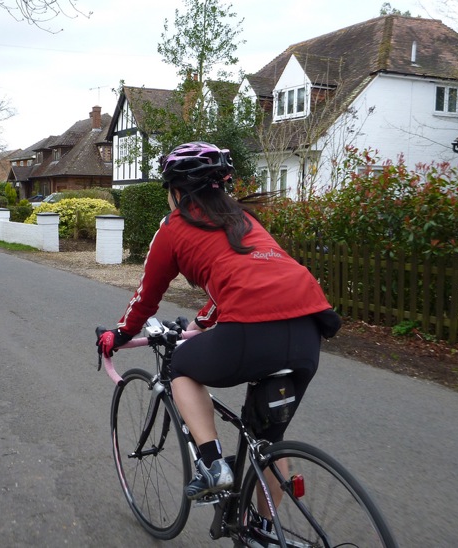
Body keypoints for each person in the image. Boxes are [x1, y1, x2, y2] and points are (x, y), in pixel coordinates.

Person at [96, 142, 340, 533]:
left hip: (250, 330)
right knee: (269, 439)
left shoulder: (174, 227)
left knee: (179, 368)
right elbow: (250, 281)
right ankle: (262, 529)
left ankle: (212, 465)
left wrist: (119, 333)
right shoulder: (243, 219)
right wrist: (203, 323)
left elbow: (147, 296)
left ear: (176, 190)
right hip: (309, 327)